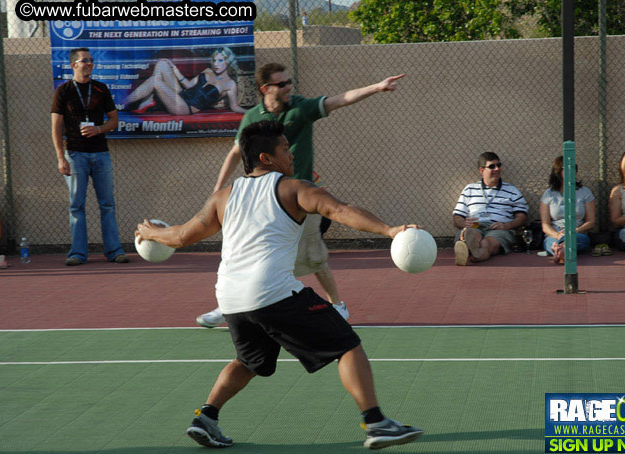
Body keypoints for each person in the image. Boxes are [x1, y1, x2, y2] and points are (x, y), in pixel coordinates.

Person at [135, 121, 423, 450]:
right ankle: (377, 424)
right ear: (266, 157)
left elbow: (183, 236)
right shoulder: (291, 188)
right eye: (285, 149)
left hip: (230, 297)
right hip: (271, 291)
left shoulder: (224, 197)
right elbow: (339, 210)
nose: (291, 153)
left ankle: (206, 417)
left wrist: (151, 233)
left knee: (249, 361)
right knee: (347, 345)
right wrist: (390, 230)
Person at [196, 62, 405, 327]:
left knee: (313, 257)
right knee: (244, 252)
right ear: (265, 88)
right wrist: (218, 188)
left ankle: (338, 306)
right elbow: (236, 152)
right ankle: (227, 307)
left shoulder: (300, 108)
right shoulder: (253, 118)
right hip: (265, 200)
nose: (288, 87)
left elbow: (340, 100)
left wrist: (377, 87)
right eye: (281, 84)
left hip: (299, 200)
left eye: (289, 82)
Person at [51, 47, 129, 266]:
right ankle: (78, 253)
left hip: (100, 154)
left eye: (92, 60)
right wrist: (61, 157)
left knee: (107, 204)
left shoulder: (101, 89)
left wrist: (99, 130)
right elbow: (56, 127)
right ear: (74, 64)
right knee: (77, 205)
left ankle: (114, 251)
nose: (90, 64)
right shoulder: (63, 91)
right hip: (75, 154)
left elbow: (114, 120)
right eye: (85, 60)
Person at [452, 152, 529, 265]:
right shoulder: (470, 189)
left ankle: (471, 253)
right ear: (481, 170)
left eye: (499, 165)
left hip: (498, 228)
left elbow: (522, 216)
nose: (497, 169)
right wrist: (464, 223)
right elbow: (457, 217)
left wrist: (507, 225)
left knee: (487, 243)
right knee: (472, 235)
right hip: (475, 225)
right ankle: (473, 250)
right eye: (492, 166)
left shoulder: (511, 190)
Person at [125, 47, 246, 115]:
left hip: (185, 107)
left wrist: (250, 112)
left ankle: (121, 104)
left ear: (228, 62)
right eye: (214, 60)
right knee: (162, 63)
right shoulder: (208, 71)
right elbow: (188, 85)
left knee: (155, 81)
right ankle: (148, 100)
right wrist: (174, 68)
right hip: (182, 94)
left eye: (220, 61)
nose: (216, 64)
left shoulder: (230, 84)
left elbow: (234, 106)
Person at [540, 156, 596, 263]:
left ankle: (560, 252)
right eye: (566, 168)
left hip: (577, 232)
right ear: (558, 171)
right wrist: (558, 235)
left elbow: (591, 222)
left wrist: (574, 231)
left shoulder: (585, 192)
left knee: (576, 240)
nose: (570, 171)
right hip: (555, 233)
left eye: (573, 168)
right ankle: (563, 251)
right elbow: (545, 225)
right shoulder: (549, 194)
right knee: (551, 242)